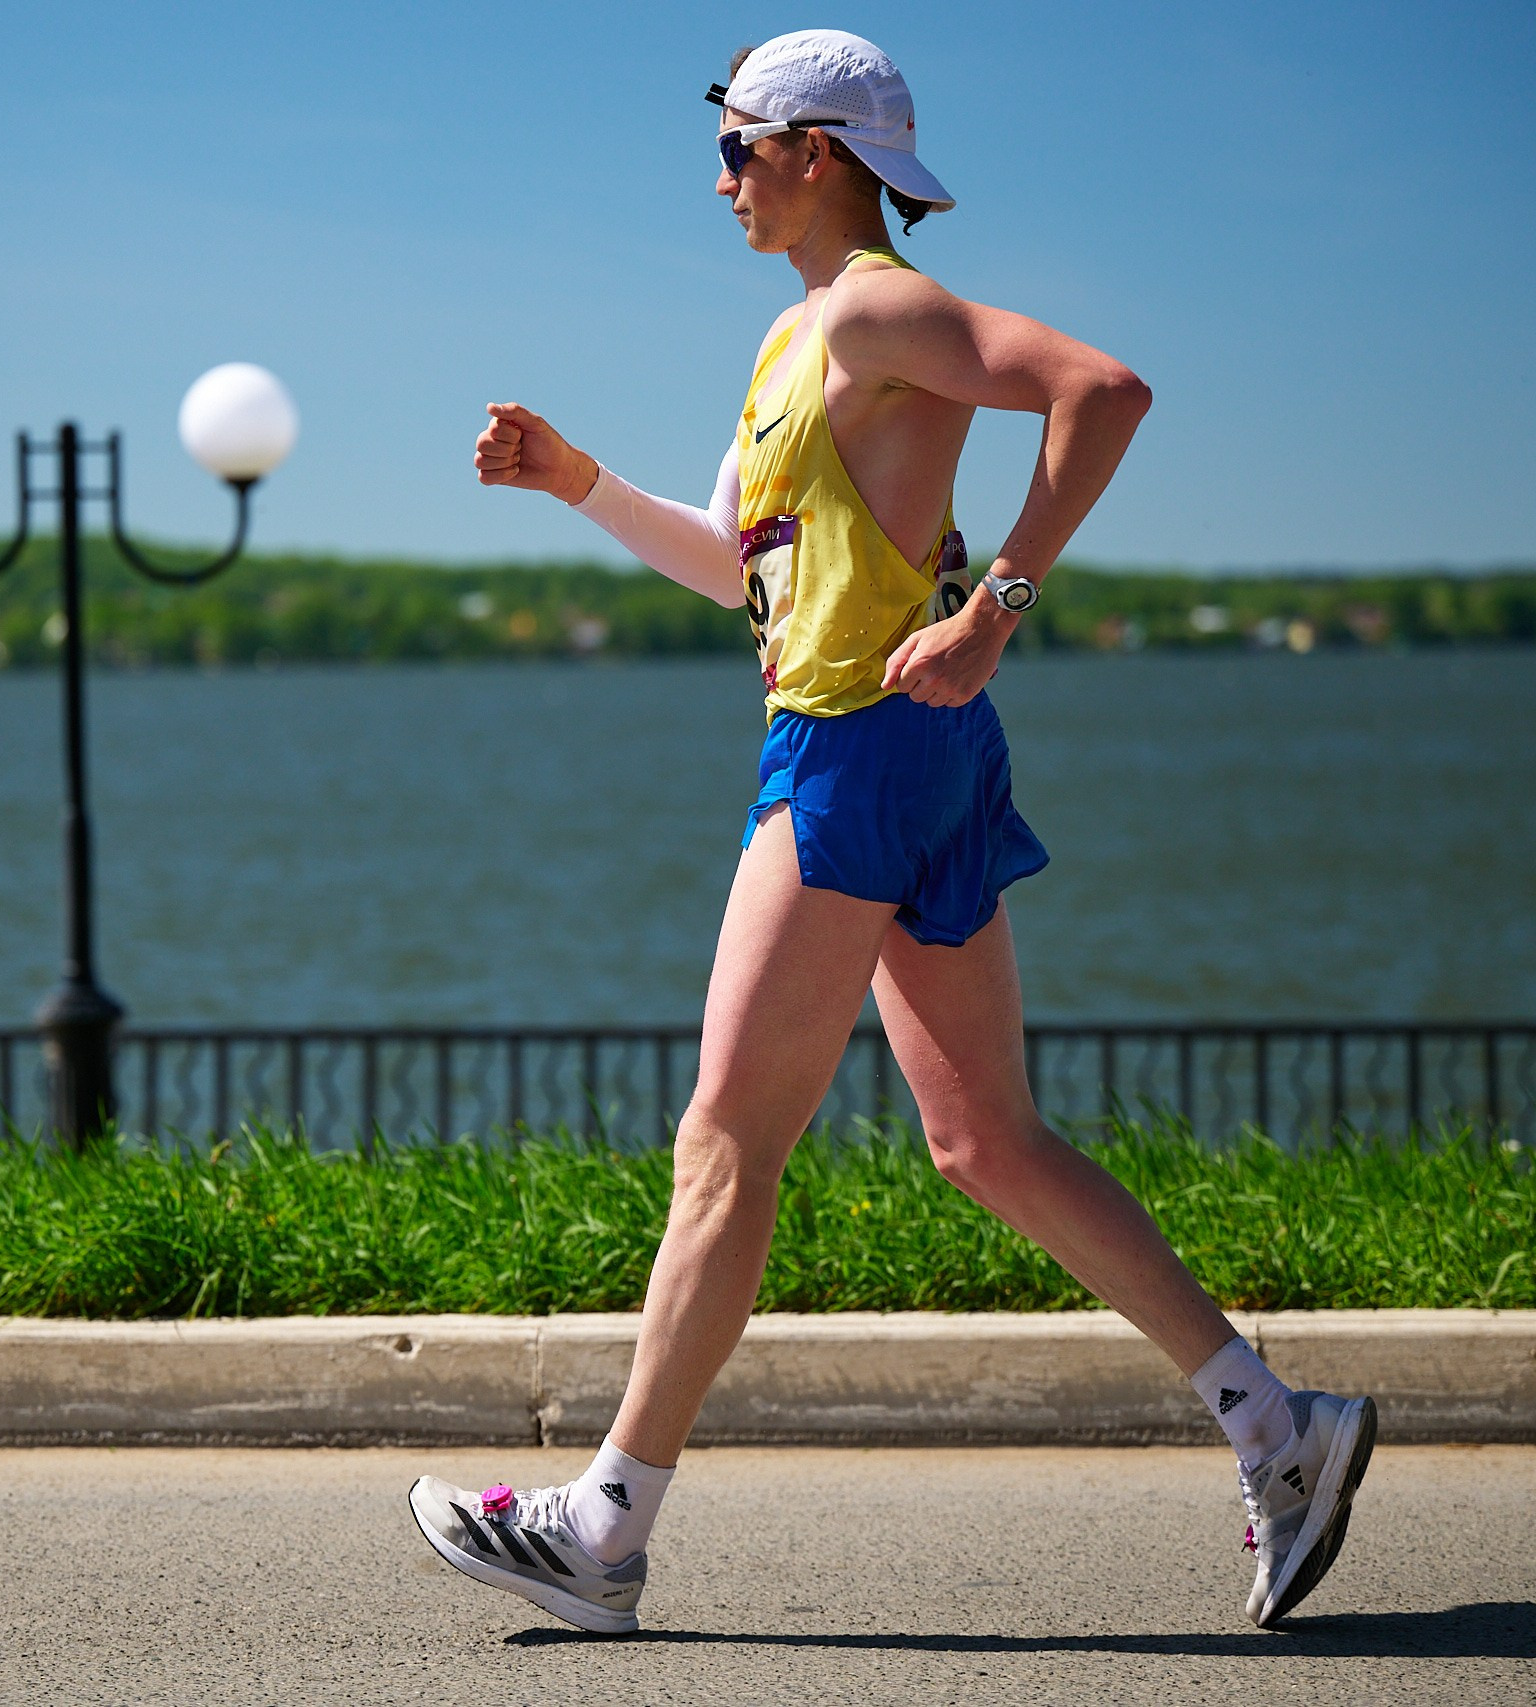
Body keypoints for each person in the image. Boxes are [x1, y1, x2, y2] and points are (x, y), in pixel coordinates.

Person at [407, 29, 1373, 1635]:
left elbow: (1101, 390)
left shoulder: (868, 303)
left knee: (726, 1140)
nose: (719, 175)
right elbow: (734, 565)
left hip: (853, 753)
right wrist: (578, 480)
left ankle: (603, 1525)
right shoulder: (801, 339)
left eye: (740, 146)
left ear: (822, 153)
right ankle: (1280, 1427)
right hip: (913, 752)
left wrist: (998, 606)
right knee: (986, 1139)